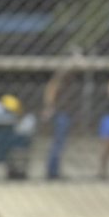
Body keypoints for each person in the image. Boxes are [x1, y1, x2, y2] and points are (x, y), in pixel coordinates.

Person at [42, 49, 82, 180]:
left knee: (60, 142)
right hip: (60, 112)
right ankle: (52, 171)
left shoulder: (69, 75)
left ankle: (54, 170)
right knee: (58, 142)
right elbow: (52, 89)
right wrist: (50, 107)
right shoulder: (63, 74)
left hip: (64, 112)